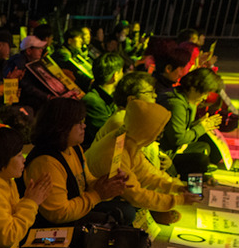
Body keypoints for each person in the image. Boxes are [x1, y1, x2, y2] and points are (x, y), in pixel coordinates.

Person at [85, 100, 200, 223]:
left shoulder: (125, 140)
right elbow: (136, 195)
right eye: (157, 132)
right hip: (89, 198)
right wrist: (178, 200)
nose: (157, 137)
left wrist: (176, 187)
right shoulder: (116, 155)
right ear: (146, 130)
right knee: (128, 212)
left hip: (101, 193)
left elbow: (145, 173)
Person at [23, 98, 129, 226]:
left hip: (75, 210)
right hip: (50, 228)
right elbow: (59, 213)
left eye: (83, 121)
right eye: (78, 122)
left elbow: (85, 181)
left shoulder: (74, 147)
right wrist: (97, 195)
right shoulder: (46, 163)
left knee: (124, 212)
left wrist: (109, 183)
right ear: (62, 126)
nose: (84, 126)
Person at [158, 67, 224, 177]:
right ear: (193, 88)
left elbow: (182, 127)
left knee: (207, 148)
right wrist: (201, 127)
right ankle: (191, 190)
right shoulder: (176, 104)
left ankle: (200, 181)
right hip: (165, 153)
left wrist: (199, 124)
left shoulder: (189, 101)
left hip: (174, 148)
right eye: (204, 93)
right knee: (201, 160)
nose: (205, 98)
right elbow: (178, 138)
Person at [82, 53, 124, 146]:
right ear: (115, 75)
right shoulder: (93, 101)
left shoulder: (109, 99)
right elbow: (106, 136)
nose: (123, 75)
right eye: (122, 71)